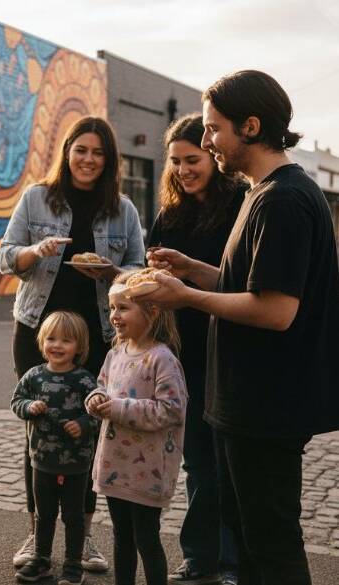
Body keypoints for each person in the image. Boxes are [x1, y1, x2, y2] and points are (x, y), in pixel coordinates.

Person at [144, 70, 339, 585]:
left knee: (271, 546)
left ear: (250, 126)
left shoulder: (284, 200)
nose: (206, 140)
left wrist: (186, 296)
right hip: (245, 404)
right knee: (249, 541)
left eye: (213, 129)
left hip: (268, 406)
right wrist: (192, 268)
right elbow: (245, 283)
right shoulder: (262, 193)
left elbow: (276, 310)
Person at [0, 116, 145, 572]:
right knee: (38, 427)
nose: (89, 159)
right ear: (67, 152)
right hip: (37, 329)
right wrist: (34, 253)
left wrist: (112, 273)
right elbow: (5, 258)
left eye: (98, 152)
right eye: (81, 150)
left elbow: (138, 269)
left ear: (109, 160)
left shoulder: (123, 209)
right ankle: (37, 533)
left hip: (99, 335)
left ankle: (84, 536)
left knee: (92, 429)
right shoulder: (36, 198)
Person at [147, 114, 244, 585]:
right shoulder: (170, 214)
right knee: (199, 462)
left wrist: (187, 274)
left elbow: (247, 283)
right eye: (175, 162)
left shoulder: (243, 206)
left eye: (193, 160)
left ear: (213, 157)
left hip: (231, 348)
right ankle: (199, 555)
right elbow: (151, 275)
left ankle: (230, 561)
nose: (183, 170)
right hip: (183, 352)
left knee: (228, 463)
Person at [85, 270, 188, 585]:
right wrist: (95, 399)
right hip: (114, 463)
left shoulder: (162, 358)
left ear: (151, 311)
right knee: (121, 536)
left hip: (148, 472)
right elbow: (101, 386)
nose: (114, 315)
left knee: (146, 538)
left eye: (122, 307)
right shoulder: (115, 353)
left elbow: (172, 409)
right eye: (112, 308)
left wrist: (116, 408)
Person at [10, 311, 98, 585]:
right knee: (45, 514)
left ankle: (73, 565)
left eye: (67, 340)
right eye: (51, 338)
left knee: (73, 516)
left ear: (79, 347)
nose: (57, 345)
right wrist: (28, 407)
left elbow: (98, 413)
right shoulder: (33, 376)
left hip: (76, 462)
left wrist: (83, 423)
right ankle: (42, 559)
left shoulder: (84, 380)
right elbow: (16, 401)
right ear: (41, 341)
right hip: (41, 460)